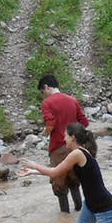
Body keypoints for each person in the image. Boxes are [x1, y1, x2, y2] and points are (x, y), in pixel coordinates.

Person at [17, 123, 112, 223]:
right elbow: (57, 173)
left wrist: (34, 165)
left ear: (73, 137)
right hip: (90, 204)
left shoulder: (77, 153)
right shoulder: (78, 153)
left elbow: (53, 172)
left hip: (103, 206)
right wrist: (33, 172)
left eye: (65, 136)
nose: (64, 139)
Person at [38, 74, 89, 213]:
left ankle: (65, 215)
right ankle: (79, 209)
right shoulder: (73, 100)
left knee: (59, 183)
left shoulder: (47, 103)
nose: (44, 95)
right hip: (75, 147)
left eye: (43, 92)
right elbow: (84, 122)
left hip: (58, 147)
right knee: (74, 181)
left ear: (46, 87)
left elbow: (51, 124)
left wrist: (45, 132)